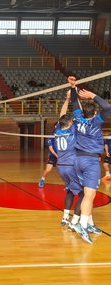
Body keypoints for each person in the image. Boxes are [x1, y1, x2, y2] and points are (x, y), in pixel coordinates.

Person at [69, 76, 111, 244]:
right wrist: (91, 95)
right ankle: (83, 225)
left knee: (88, 195)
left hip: (77, 160)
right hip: (90, 162)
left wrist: (73, 87)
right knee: (89, 195)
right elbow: (107, 106)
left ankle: (90, 223)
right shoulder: (95, 121)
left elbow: (74, 102)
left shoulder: (78, 118)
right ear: (94, 113)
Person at [54, 91, 83, 229]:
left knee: (70, 191)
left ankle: (65, 218)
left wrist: (66, 99)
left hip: (60, 166)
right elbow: (80, 115)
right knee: (84, 195)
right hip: (71, 166)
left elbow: (61, 116)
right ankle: (75, 222)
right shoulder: (73, 131)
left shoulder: (58, 131)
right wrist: (75, 97)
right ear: (70, 123)